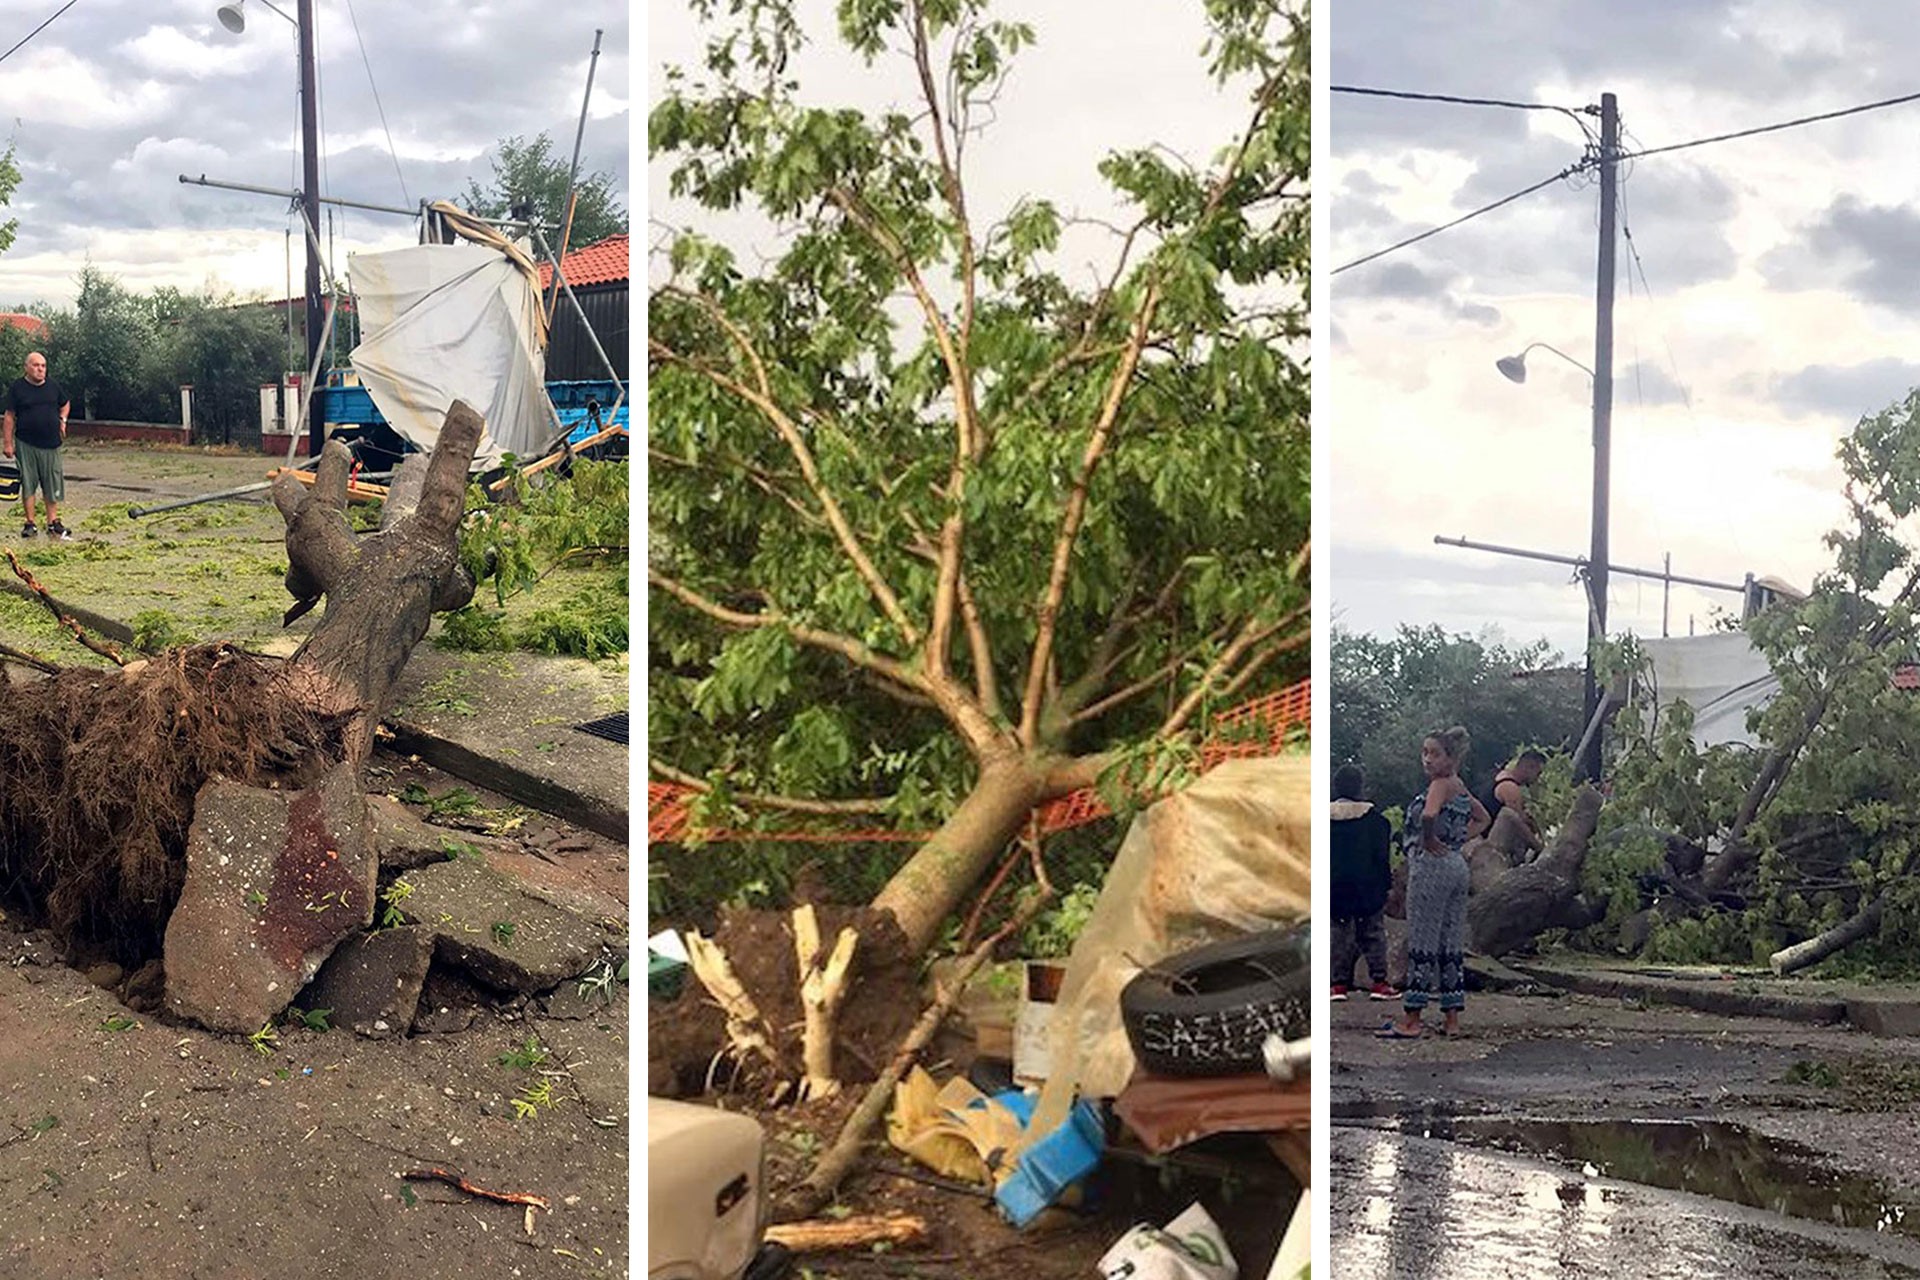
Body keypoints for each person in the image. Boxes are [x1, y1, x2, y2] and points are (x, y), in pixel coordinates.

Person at [1379, 726, 1488, 1040]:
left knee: (1422, 939)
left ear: (1450, 758)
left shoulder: (1440, 785)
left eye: (1434, 753)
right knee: (1450, 942)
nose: (1427, 759)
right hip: (1456, 866)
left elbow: (1428, 815)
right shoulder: (1460, 786)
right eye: (1424, 752)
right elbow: (1483, 818)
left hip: (1431, 867)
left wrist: (1429, 840)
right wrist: (1456, 840)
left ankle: (1412, 1018)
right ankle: (1452, 1019)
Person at [1331, 763, 1397, 1001]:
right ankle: (1379, 983)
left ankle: (1337, 986)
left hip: (1334, 887)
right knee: (1373, 934)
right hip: (1368, 888)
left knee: (1338, 935)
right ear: (1362, 788)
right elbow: (1381, 859)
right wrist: (1386, 887)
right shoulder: (1378, 823)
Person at [2, 352, 72, 540]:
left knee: (52, 483)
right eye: (36, 365)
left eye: (43, 366)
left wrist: (62, 420)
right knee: (28, 483)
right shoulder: (18, 388)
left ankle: (53, 522)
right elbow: (9, 416)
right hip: (26, 444)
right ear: (26, 367)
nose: (40, 369)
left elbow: (65, 404)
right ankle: (30, 523)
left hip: (52, 445)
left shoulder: (53, 386)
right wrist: (7, 443)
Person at [1481, 748, 1547, 857]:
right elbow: (1518, 823)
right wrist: (1539, 847)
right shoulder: (1510, 788)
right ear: (1528, 767)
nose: (1537, 779)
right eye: (1538, 773)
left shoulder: (1501, 775)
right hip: (1488, 842)